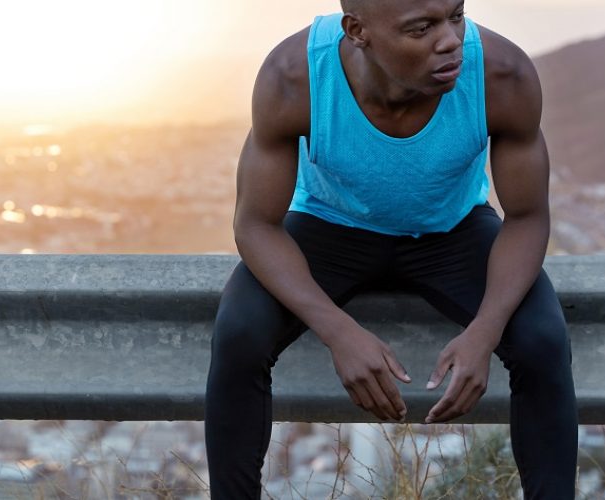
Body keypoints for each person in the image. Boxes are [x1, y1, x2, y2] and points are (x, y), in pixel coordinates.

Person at [203, 0, 578, 498]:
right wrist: (337, 330)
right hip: (328, 228)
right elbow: (254, 225)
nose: (450, 40)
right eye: (421, 28)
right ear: (358, 30)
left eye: (456, 15)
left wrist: (484, 332)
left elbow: (528, 218)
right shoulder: (294, 76)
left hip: (452, 230)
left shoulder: (502, 76)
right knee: (238, 333)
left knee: (543, 341)